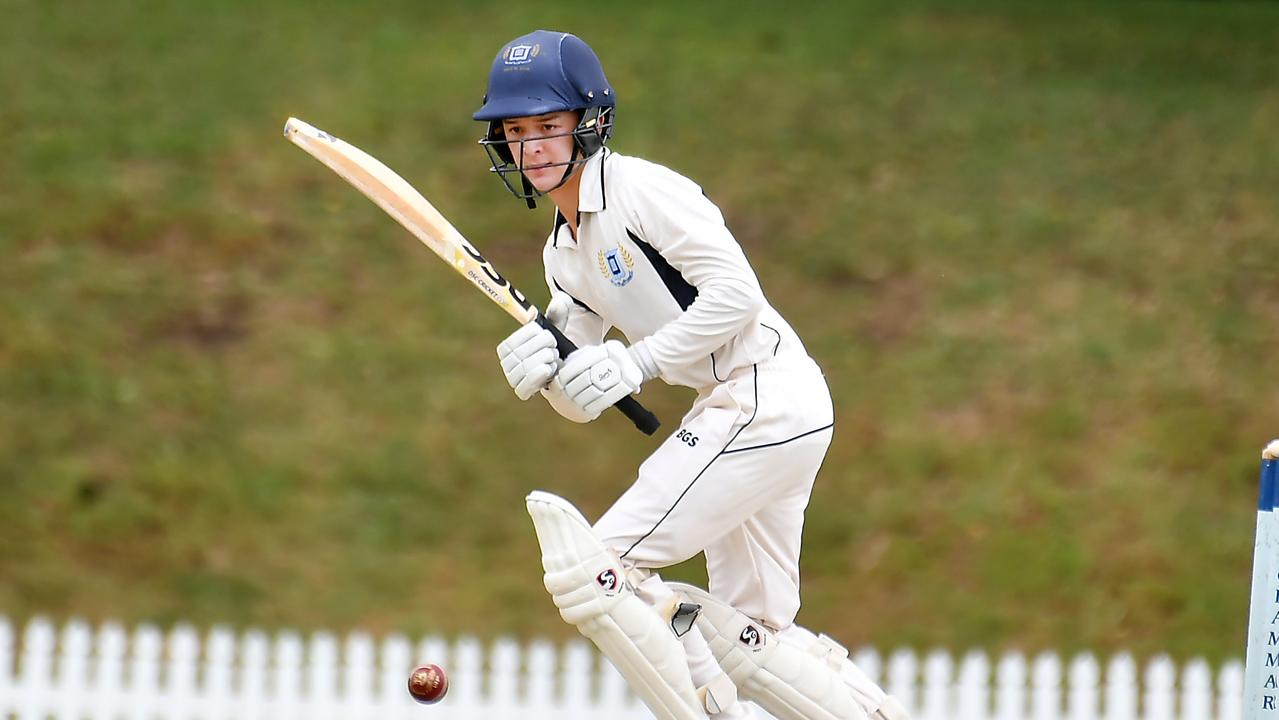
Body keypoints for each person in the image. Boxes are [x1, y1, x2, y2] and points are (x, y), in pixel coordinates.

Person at [477, 29, 908, 720]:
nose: (531, 149)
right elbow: (585, 397)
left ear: (589, 123)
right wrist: (545, 371)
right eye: (516, 131)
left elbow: (736, 293)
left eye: (548, 127)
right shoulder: (563, 252)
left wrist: (636, 361)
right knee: (754, 636)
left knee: (600, 569)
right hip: (746, 405)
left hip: (762, 393)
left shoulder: (641, 190)